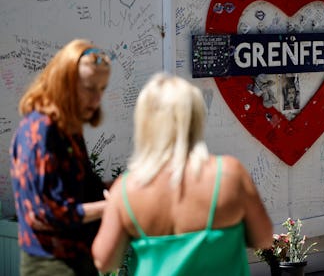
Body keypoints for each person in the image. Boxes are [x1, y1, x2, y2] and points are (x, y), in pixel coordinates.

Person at [92, 73, 273, 275]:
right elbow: (264, 239)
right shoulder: (229, 174)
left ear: (144, 123)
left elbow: (104, 261)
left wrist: (114, 209)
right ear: (195, 116)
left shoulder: (127, 189)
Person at [10, 39, 112, 276]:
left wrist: (124, 188)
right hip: (52, 265)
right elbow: (43, 213)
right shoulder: (41, 129)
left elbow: (84, 191)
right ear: (64, 84)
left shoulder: (69, 129)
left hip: (80, 260)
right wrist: (110, 207)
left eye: (102, 89)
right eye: (89, 88)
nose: (97, 99)